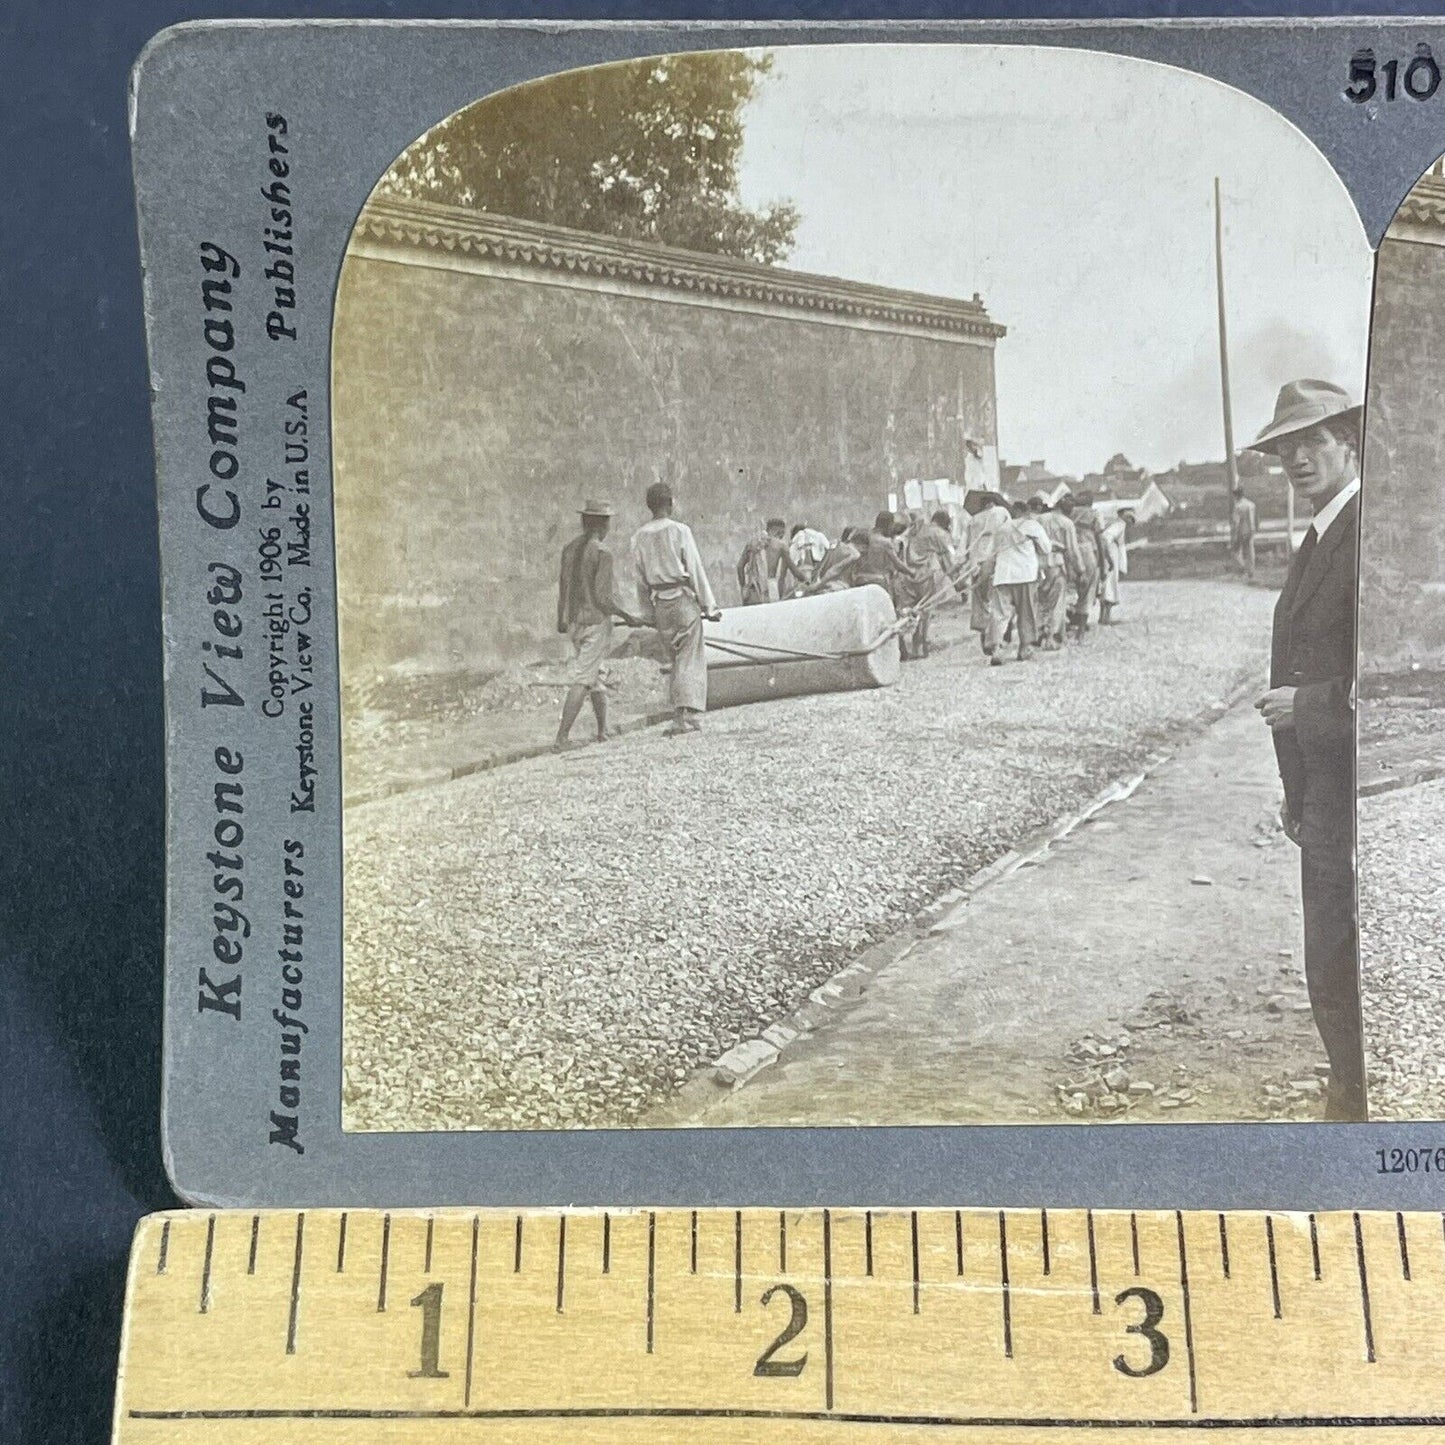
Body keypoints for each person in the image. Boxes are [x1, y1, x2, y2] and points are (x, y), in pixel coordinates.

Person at [1247, 379, 1364, 1121]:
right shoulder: (1318, 535)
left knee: (1342, 950)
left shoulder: (1365, 532)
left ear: (1348, 441)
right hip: (1320, 790)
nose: (1295, 456)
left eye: (1310, 441)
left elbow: (1376, 681)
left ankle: (1354, 1099)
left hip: (1355, 789)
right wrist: (1294, 790)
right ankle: (1345, 1084)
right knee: (1325, 951)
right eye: (1284, 447)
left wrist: (1304, 708)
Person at [632, 483, 722, 736]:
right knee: (689, 657)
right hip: (682, 600)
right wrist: (710, 606)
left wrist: (647, 613)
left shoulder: (638, 537)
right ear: (670, 503)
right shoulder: (679, 530)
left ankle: (683, 714)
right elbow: (694, 568)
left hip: (659, 602)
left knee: (675, 658)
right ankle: (684, 716)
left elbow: (639, 580)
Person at [554, 499, 640, 751]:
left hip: (574, 624)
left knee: (595, 675)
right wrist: (628, 615)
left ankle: (603, 730)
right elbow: (604, 598)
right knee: (584, 678)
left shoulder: (569, 549)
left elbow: (563, 589)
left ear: (584, 522)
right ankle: (561, 738)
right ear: (604, 525)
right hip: (595, 623)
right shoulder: (602, 553)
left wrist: (562, 617)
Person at [987, 500, 1052, 665]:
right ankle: (1025, 648)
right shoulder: (1032, 526)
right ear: (1027, 512)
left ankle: (997, 648)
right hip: (1025, 574)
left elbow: (991, 553)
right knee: (1026, 612)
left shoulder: (1001, 528)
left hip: (1003, 574)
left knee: (1000, 614)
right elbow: (1046, 548)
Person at [1029, 492, 1080, 650]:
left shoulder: (1038, 520)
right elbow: (1072, 550)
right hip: (1056, 563)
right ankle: (1053, 636)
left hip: (1037, 564)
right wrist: (1079, 569)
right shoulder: (1067, 523)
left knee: (1040, 601)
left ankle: (1038, 632)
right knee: (1057, 602)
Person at [963, 490, 1012, 655]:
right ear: (993, 503)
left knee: (980, 601)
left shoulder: (973, 520)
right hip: (994, 561)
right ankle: (997, 640)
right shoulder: (1001, 513)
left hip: (975, 564)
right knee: (997, 601)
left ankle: (984, 636)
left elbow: (965, 545)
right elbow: (1010, 533)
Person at [1061, 491, 1108, 640]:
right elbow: (1100, 540)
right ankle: (1080, 632)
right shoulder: (1094, 514)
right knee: (1088, 591)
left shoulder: (1068, 513)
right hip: (1088, 551)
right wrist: (1103, 564)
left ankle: (1064, 627)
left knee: (1069, 590)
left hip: (1069, 551)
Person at [737, 517, 805, 605]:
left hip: (753, 589)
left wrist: (743, 587)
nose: (782, 537)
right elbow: (794, 571)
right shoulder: (781, 546)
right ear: (779, 532)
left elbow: (739, 567)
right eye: (782, 534)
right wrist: (808, 581)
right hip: (771, 588)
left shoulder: (751, 544)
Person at [1099, 507, 1132, 624]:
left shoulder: (1115, 523)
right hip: (1112, 554)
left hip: (1111, 553)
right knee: (1110, 585)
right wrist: (1109, 556)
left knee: (1107, 585)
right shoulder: (1119, 525)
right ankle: (1105, 618)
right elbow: (1106, 537)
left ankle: (1103, 617)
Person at [810, 527, 863, 592]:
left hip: (824, 585)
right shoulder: (854, 554)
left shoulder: (832, 545)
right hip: (839, 588)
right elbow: (835, 570)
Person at [786, 521, 830, 597]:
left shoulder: (797, 538)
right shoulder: (816, 536)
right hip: (816, 564)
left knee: (804, 586)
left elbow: (792, 557)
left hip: (802, 566)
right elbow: (828, 547)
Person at [1231, 485, 1259, 579]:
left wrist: (1234, 534)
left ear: (1236, 496)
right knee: (1250, 551)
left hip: (1241, 531)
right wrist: (1254, 529)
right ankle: (1251, 571)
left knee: (1236, 551)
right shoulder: (1251, 504)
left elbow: (1236, 522)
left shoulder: (1238, 506)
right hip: (1251, 530)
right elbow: (1255, 519)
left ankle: (1242, 568)